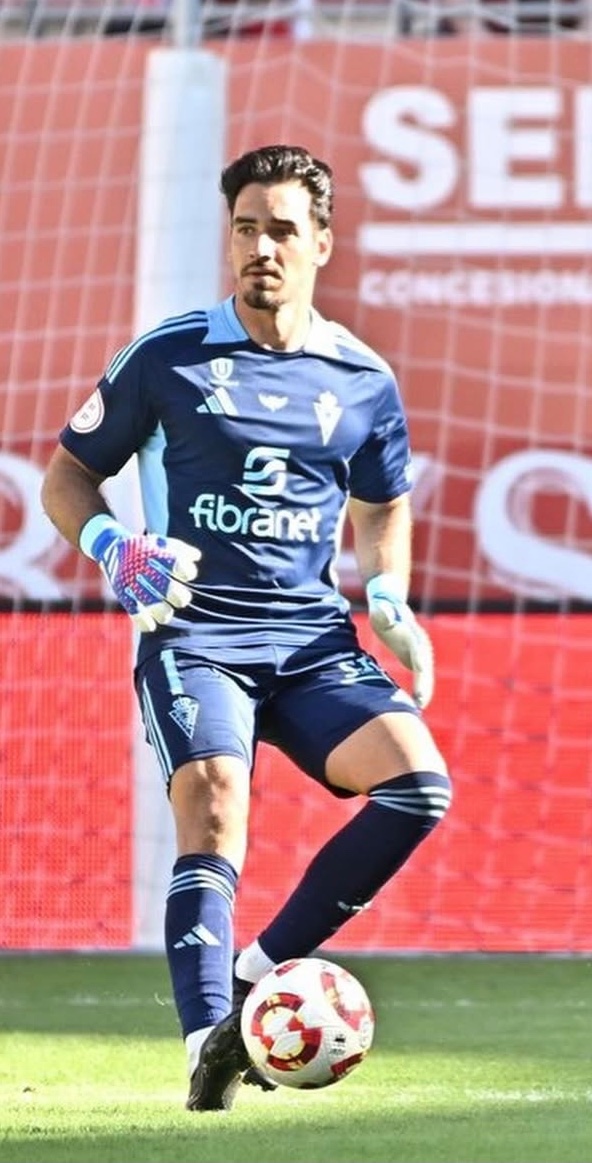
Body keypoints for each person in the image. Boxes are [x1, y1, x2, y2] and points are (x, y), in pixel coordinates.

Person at [41, 143, 451, 1113]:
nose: (261, 247)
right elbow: (67, 476)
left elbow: (382, 500)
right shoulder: (167, 356)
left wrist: (387, 594)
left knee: (418, 786)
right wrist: (110, 543)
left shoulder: (361, 378)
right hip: (196, 635)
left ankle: (249, 980)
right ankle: (205, 1050)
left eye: (281, 231)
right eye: (245, 229)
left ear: (322, 244)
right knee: (216, 801)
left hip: (311, 641)